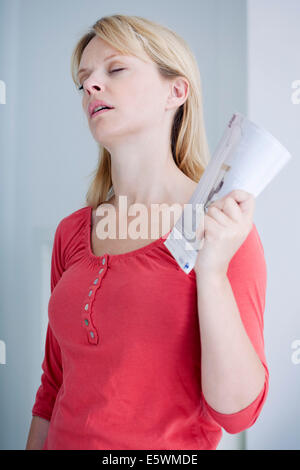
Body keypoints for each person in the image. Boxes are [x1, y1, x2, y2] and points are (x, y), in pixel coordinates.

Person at [25, 14, 269, 450]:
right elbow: (52, 388)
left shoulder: (222, 231)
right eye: (84, 81)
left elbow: (236, 413)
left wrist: (211, 272)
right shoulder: (70, 234)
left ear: (175, 92)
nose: (92, 87)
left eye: (115, 69)